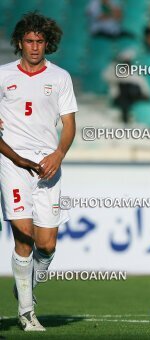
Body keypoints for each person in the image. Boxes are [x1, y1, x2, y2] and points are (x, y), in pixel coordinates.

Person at [0, 12, 77, 331]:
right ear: (19, 42)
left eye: (40, 41)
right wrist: (15, 158)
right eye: (29, 41)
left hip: (48, 166)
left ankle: (27, 282)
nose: (34, 46)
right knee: (25, 236)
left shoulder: (60, 77)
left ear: (48, 43)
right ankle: (27, 311)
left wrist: (59, 154)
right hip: (12, 164)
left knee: (46, 246)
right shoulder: (2, 75)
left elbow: (70, 125)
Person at [102, 49, 150, 124]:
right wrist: (114, 63)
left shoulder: (135, 72)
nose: (126, 65)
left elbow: (143, 85)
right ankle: (125, 116)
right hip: (120, 97)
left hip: (134, 96)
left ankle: (130, 116)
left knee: (131, 89)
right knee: (124, 91)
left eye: (128, 63)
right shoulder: (115, 73)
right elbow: (105, 76)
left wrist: (147, 94)